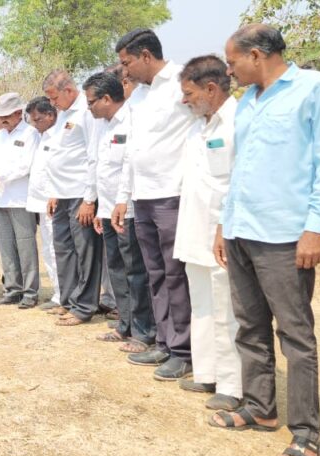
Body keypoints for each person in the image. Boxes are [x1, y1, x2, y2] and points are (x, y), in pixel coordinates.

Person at [209, 25, 320, 456]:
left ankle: (306, 432)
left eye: (232, 63)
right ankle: (259, 406)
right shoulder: (248, 101)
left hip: (286, 234)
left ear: (255, 54)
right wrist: (223, 224)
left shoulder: (316, 89)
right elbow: (240, 168)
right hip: (242, 229)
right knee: (249, 325)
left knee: (295, 335)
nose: (228, 71)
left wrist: (316, 228)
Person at [111, 29, 195, 380]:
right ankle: (164, 341)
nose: (124, 72)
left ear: (146, 55)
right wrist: (122, 197)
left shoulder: (182, 84)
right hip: (142, 198)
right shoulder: (138, 98)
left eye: (127, 62)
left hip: (172, 195)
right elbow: (131, 150)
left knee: (177, 275)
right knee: (155, 274)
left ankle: (184, 350)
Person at [172, 55, 243, 409]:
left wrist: (225, 228)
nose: (184, 100)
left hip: (222, 235)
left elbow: (237, 183)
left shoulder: (237, 123)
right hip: (193, 232)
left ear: (211, 89)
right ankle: (207, 373)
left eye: (189, 93)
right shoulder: (200, 127)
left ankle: (231, 386)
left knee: (226, 309)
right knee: (201, 305)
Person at [83, 71, 156, 356]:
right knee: (116, 269)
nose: (88, 108)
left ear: (106, 98)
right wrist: (100, 208)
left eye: (91, 102)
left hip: (127, 210)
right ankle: (124, 324)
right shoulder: (102, 125)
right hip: (108, 209)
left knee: (135, 271)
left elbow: (128, 166)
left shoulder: (131, 119)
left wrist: (119, 204)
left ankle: (143, 331)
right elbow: (99, 169)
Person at [41, 70, 102, 326]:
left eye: (55, 97)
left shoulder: (86, 112)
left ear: (68, 90)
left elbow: (92, 154)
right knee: (63, 249)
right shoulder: (64, 114)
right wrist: (54, 191)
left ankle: (85, 306)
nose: (53, 103)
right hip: (62, 194)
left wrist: (90, 199)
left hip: (80, 194)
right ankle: (67, 300)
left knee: (85, 251)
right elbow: (60, 153)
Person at [0, 93, 40, 308]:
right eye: (1, 116)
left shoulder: (30, 134)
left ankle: (30, 292)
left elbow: (25, 166)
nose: (3, 120)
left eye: (6, 116)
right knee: (6, 246)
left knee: (25, 247)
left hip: (20, 199)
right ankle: (12, 289)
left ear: (18, 113)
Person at [24, 97, 63, 311]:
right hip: (40, 203)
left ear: (50, 115)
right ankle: (58, 293)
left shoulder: (59, 136)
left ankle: (64, 295)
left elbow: (59, 170)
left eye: (38, 119)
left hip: (54, 203)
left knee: (57, 251)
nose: (34, 124)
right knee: (48, 250)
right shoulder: (41, 137)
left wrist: (54, 194)